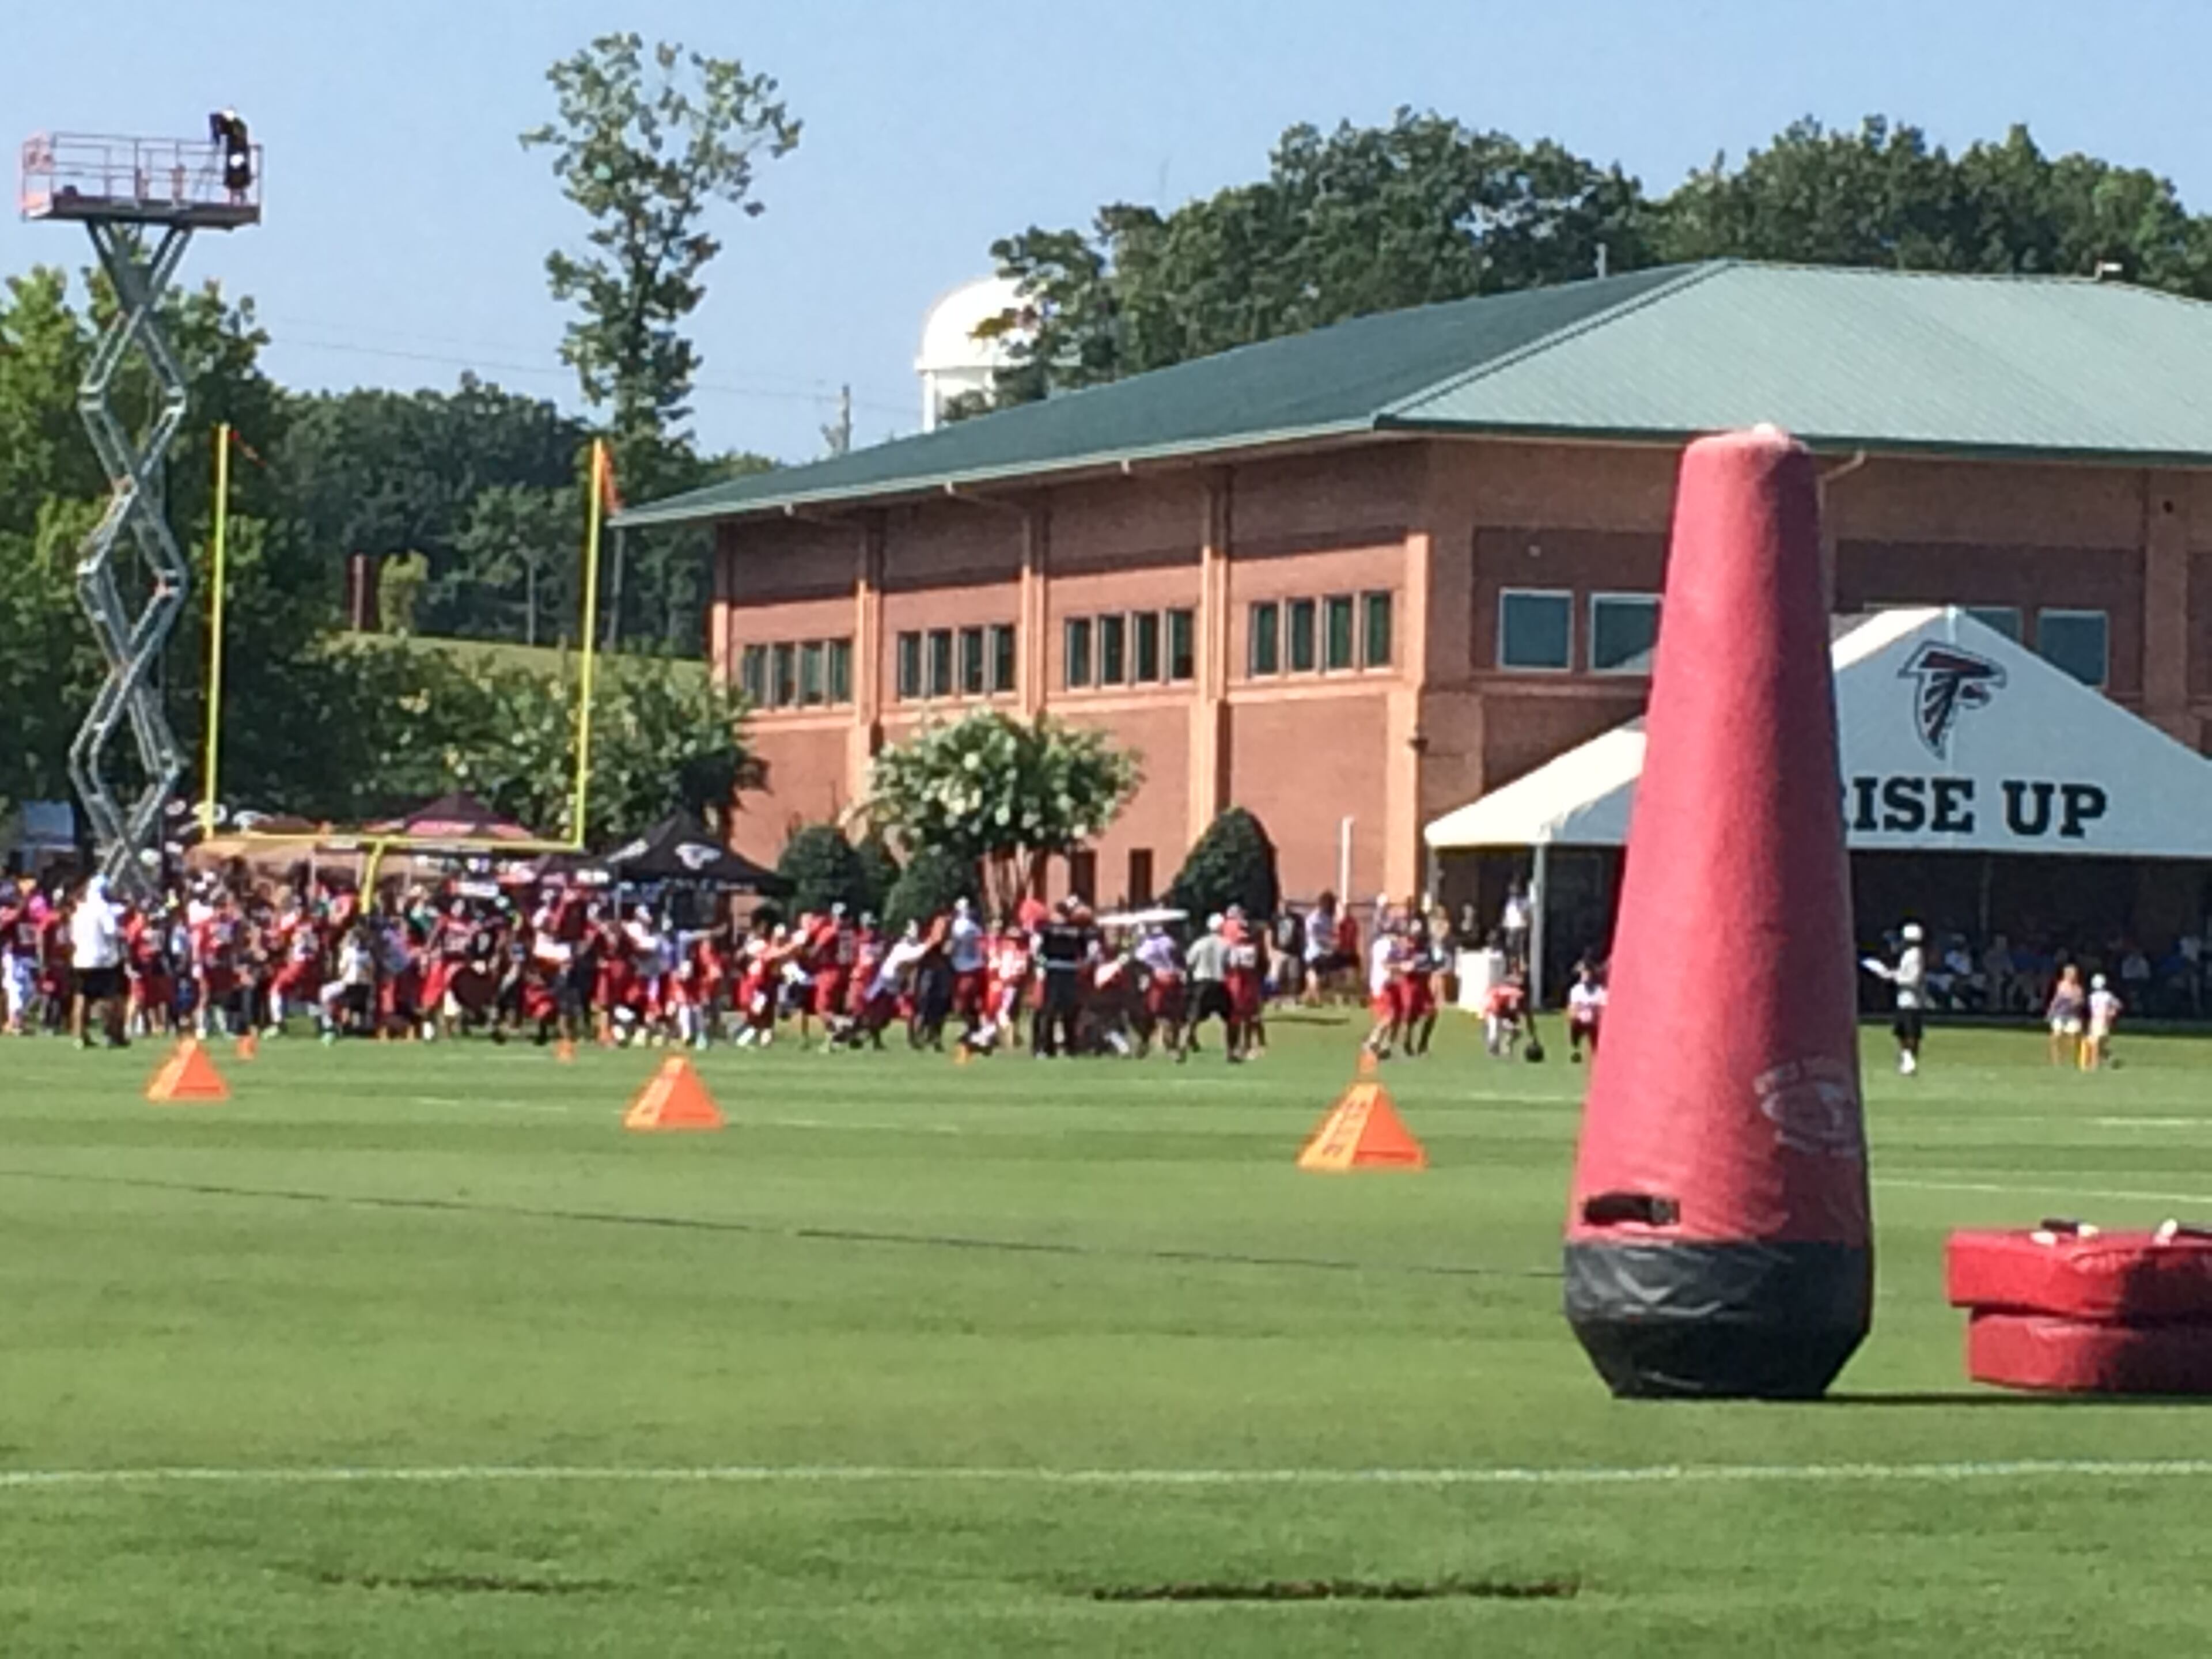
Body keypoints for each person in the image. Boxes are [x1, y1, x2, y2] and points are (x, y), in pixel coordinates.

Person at [69, 876, 127, 1050]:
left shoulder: (80, 910)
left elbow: (74, 937)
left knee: (81, 997)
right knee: (109, 998)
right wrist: (121, 932)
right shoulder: (103, 910)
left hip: (81, 959)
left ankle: (80, 1036)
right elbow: (111, 931)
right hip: (102, 960)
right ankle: (110, 1034)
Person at [1863, 922, 1928, 1076]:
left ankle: (1910, 1060)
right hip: (1903, 999)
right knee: (1902, 1032)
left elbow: (1912, 979)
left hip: (1911, 1001)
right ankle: (1906, 1059)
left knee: (1911, 1032)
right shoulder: (1909, 954)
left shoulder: (1914, 955)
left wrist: (1892, 976)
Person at [1180, 914, 1237, 1063]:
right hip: (1219, 983)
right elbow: (1233, 964)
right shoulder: (1226, 944)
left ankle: (1182, 1050)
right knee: (1229, 1019)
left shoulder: (1199, 943)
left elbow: (1189, 963)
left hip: (1202, 984)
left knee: (1193, 1020)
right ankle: (1230, 1053)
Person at [2046, 963, 2086, 1069]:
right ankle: (2056, 1060)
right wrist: (2051, 1012)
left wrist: (2078, 1001)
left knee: (2075, 1036)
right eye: (2070, 974)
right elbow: (2062, 998)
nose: (2073, 976)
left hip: (2072, 1015)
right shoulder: (2063, 986)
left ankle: (2076, 1059)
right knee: (2057, 1036)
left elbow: (2080, 1001)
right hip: (2060, 1014)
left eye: (2074, 974)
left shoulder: (2078, 988)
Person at [1566, 963, 1606, 1062]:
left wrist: (1595, 1016)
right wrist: (1575, 1015)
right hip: (1580, 1020)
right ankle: (1575, 1048)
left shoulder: (1600, 991)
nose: (1585, 976)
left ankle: (1597, 1050)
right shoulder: (1576, 990)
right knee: (1573, 1021)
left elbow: (1603, 1010)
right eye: (1583, 974)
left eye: (1587, 973)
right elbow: (1573, 1008)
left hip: (1594, 1022)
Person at [2084, 974, 2123, 1071]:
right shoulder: (2094, 997)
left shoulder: (2105, 996)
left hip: (2101, 1020)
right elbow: (2118, 1005)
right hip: (2097, 1020)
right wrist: (2112, 1012)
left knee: (2096, 1043)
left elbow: (2118, 1005)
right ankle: (2109, 1060)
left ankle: (2094, 1064)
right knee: (2096, 1044)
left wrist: (2111, 1013)